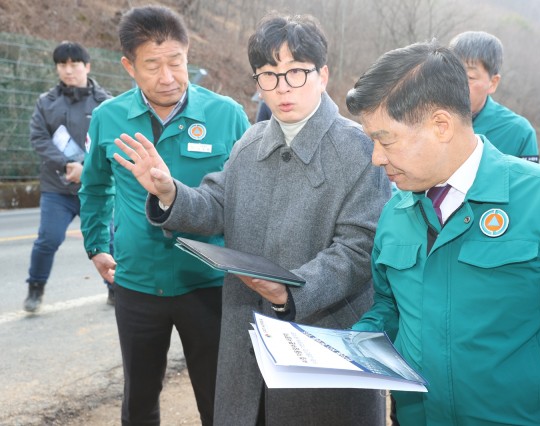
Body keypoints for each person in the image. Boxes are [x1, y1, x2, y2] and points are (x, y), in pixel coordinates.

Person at [111, 13, 390, 426]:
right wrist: (170, 192)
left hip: (321, 347)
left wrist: (291, 290)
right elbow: (217, 203)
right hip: (250, 342)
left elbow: (359, 249)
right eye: (268, 75)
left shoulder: (359, 150)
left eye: (296, 73)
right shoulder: (251, 142)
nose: (282, 89)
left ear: (323, 74)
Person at [346, 40, 540, 425]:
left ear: (441, 125)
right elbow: (389, 307)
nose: (376, 157)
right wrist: (355, 344)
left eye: (385, 140)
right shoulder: (396, 210)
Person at [78, 6, 250, 425]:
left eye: (176, 62)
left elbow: (250, 197)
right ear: (129, 67)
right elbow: (95, 186)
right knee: (139, 401)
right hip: (137, 284)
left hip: (208, 283)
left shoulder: (226, 116)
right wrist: (97, 244)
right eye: (152, 65)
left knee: (219, 401)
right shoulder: (108, 118)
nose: (167, 76)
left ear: (188, 57)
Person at [24, 41, 111, 312]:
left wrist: (86, 166)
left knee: (107, 241)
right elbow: (39, 138)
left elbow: (110, 140)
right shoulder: (46, 102)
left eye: (74, 64)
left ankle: (115, 288)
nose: (68, 70)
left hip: (95, 188)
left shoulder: (105, 103)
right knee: (47, 240)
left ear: (87, 66)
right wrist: (66, 165)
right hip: (57, 188)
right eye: (62, 64)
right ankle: (35, 289)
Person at [449, 31, 539, 162]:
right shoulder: (423, 120)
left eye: (470, 77)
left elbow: (530, 181)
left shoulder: (518, 132)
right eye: (451, 74)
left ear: (493, 83)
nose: (457, 83)